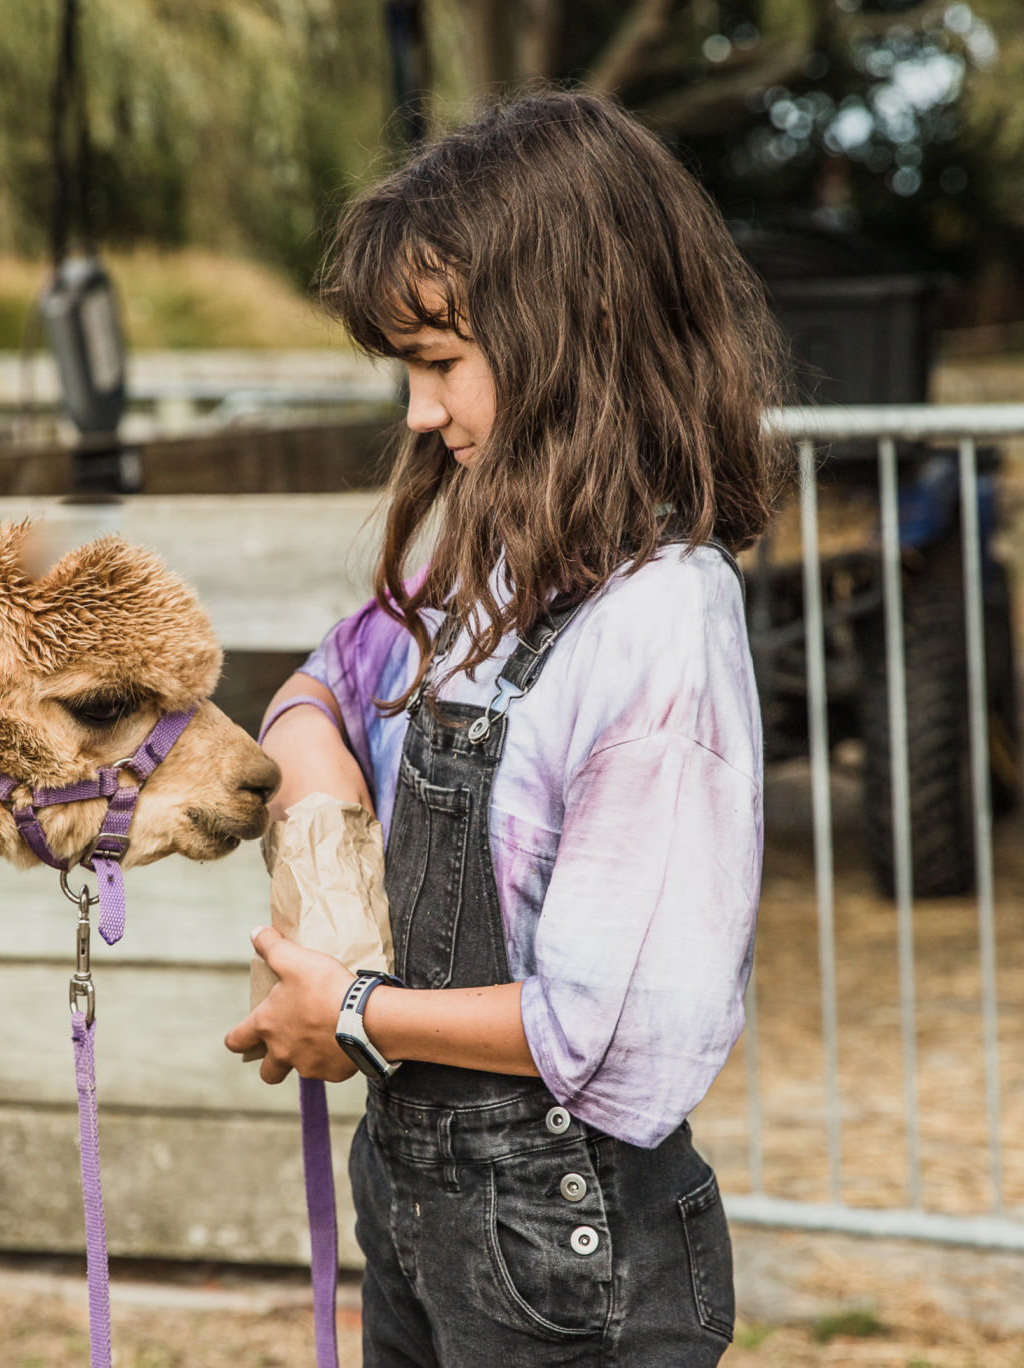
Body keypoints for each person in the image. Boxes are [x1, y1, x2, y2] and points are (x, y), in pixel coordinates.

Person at [223, 89, 788, 1367]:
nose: (421, 413)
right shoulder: (480, 579)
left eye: (441, 363)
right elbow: (321, 683)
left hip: (565, 1248)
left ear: (574, 339)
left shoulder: (658, 631)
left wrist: (356, 1010)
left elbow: (613, 1028)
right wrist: (322, 797)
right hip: (422, 1214)